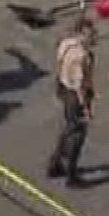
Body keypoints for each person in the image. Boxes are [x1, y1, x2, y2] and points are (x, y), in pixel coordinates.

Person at [46, 18, 95, 187]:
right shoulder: (81, 55)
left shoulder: (66, 44)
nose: (94, 37)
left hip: (63, 86)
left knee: (69, 127)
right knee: (77, 134)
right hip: (75, 94)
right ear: (81, 33)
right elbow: (80, 85)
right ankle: (71, 174)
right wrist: (85, 107)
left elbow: (59, 62)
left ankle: (55, 164)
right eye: (91, 34)